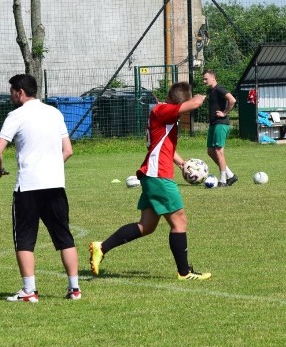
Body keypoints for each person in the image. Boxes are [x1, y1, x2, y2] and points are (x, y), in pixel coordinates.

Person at [89, 82, 212, 281]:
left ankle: (101, 247)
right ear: (181, 102)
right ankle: (184, 272)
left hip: (153, 174)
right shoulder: (164, 110)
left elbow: (162, 145)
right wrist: (205, 95)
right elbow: (195, 104)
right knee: (179, 221)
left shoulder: (165, 113)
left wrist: (181, 163)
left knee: (146, 226)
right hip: (158, 175)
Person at [0, 74, 82, 302]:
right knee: (64, 237)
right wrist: (51, 166)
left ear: (20, 92)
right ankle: (75, 288)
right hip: (55, 184)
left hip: (28, 187)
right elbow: (68, 150)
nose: (10, 95)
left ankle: (29, 291)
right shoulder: (54, 113)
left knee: (24, 239)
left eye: (12, 90)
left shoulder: (16, 115)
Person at [203, 70, 238, 187]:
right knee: (210, 151)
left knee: (218, 151)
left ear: (213, 78)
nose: (204, 81)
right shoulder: (210, 91)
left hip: (221, 123)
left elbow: (232, 100)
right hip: (213, 124)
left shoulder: (219, 88)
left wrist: (225, 112)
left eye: (206, 79)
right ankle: (230, 175)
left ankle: (223, 180)